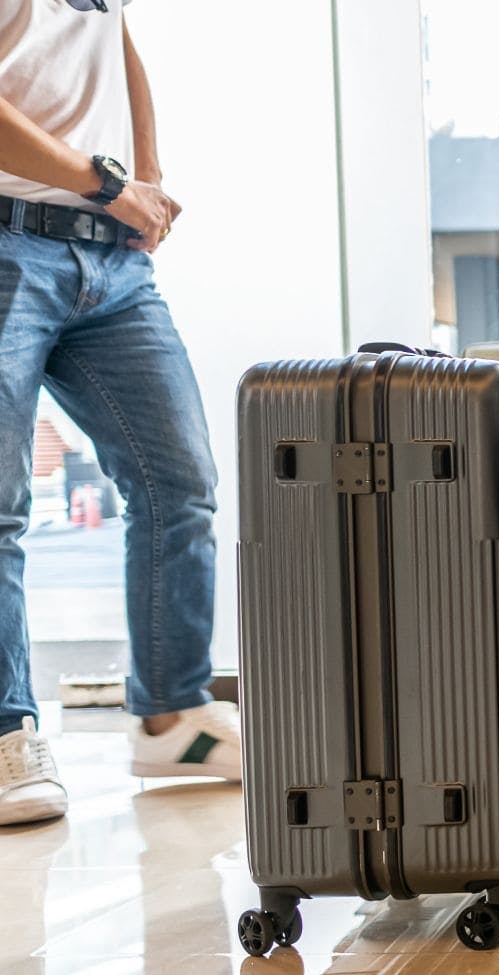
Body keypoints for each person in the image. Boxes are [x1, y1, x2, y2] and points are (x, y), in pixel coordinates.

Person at [0, 0, 238, 827]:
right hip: (6, 242)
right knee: (0, 508)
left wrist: (148, 177)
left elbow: (117, 39)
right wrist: (108, 181)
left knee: (180, 481)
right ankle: (5, 734)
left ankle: (172, 718)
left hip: (108, 263)